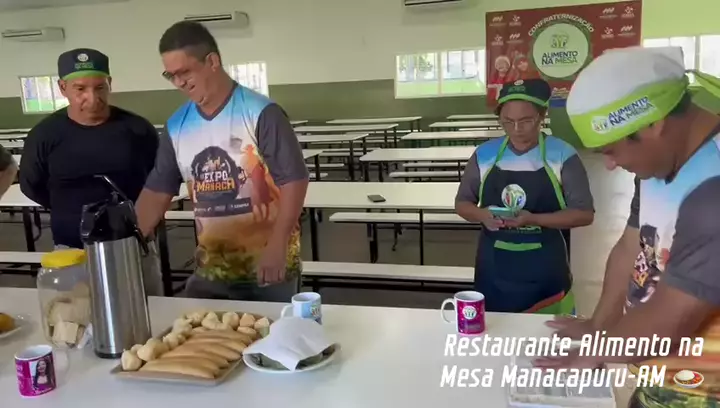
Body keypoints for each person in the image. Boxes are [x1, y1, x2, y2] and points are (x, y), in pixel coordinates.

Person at [537, 46, 720, 407]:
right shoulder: (662, 161)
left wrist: (594, 352)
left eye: (610, 150)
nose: (609, 165)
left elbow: (671, 317)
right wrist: (598, 327)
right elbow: (630, 246)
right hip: (661, 379)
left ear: (653, 124)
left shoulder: (713, 193)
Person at [135, 21, 309, 301]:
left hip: (268, 264)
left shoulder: (260, 112)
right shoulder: (177, 126)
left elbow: (294, 181)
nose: (179, 82)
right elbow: (157, 191)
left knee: (270, 329)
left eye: (185, 72)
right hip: (212, 268)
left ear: (212, 61)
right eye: (171, 75)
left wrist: (278, 244)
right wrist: (128, 242)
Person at [18, 48, 162, 294]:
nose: (92, 98)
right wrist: (69, 208)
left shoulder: (137, 130)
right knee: (76, 312)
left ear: (110, 84)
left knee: (145, 308)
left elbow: (157, 180)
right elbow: (31, 184)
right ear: (63, 88)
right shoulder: (44, 135)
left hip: (131, 243)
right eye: (80, 89)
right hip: (72, 248)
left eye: (100, 87)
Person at [455, 78, 594, 314]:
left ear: (542, 116)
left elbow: (584, 214)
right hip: (494, 264)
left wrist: (533, 219)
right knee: (498, 329)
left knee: (546, 332)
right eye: (507, 121)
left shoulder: (562, 155)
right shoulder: (485, 155)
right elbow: (462, 203)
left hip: (545, 265)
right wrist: (482, 215)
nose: (517, 129)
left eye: (526, 121)